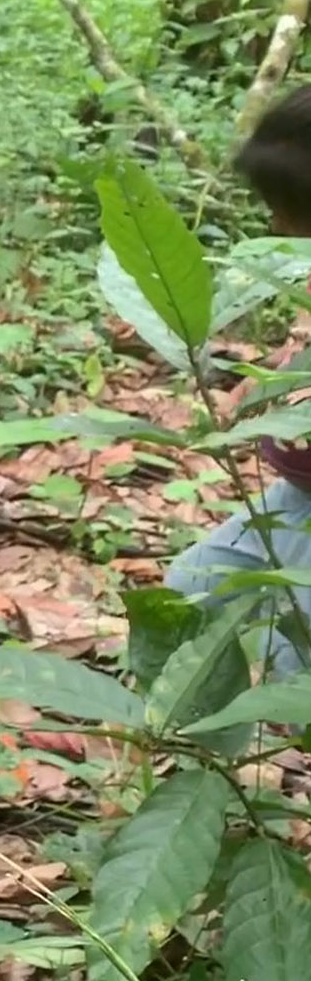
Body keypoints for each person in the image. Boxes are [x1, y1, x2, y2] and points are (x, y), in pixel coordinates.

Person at [167, 84, 311, 679]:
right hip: (294, 502)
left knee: (291, 655)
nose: (276, 222)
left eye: (289, 206)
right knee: (197, 588)